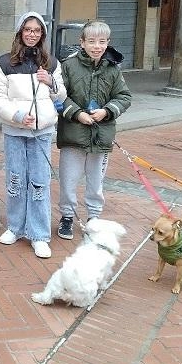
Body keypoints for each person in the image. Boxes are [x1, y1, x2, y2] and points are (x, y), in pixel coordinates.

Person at [0, 12, 66, 259]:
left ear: (42, 34)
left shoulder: (52, 63)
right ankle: (15, 227)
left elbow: (61, 96)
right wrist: (18, 116)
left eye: (37, 30)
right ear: (20, 32)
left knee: (40, 182)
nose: (32, 34)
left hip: (42, 133)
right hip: (15, 131)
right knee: (16, 180)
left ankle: (39, 234)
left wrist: (51, 82)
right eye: (27, 29)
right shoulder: (2, 64)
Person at [56, 20, 132, 240]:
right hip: (73, 134)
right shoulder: (68, 66)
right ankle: (67, 216)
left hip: (101, 136)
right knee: (68, 178)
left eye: (101, 42)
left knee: (96, 181)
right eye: (91, 41)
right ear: (82, 42)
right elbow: (60, 97)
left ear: (107, 43)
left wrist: (107, 111)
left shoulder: (113, 69)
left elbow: (124, 96)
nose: (96, 46)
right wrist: (77, 113)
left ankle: (94, 216)